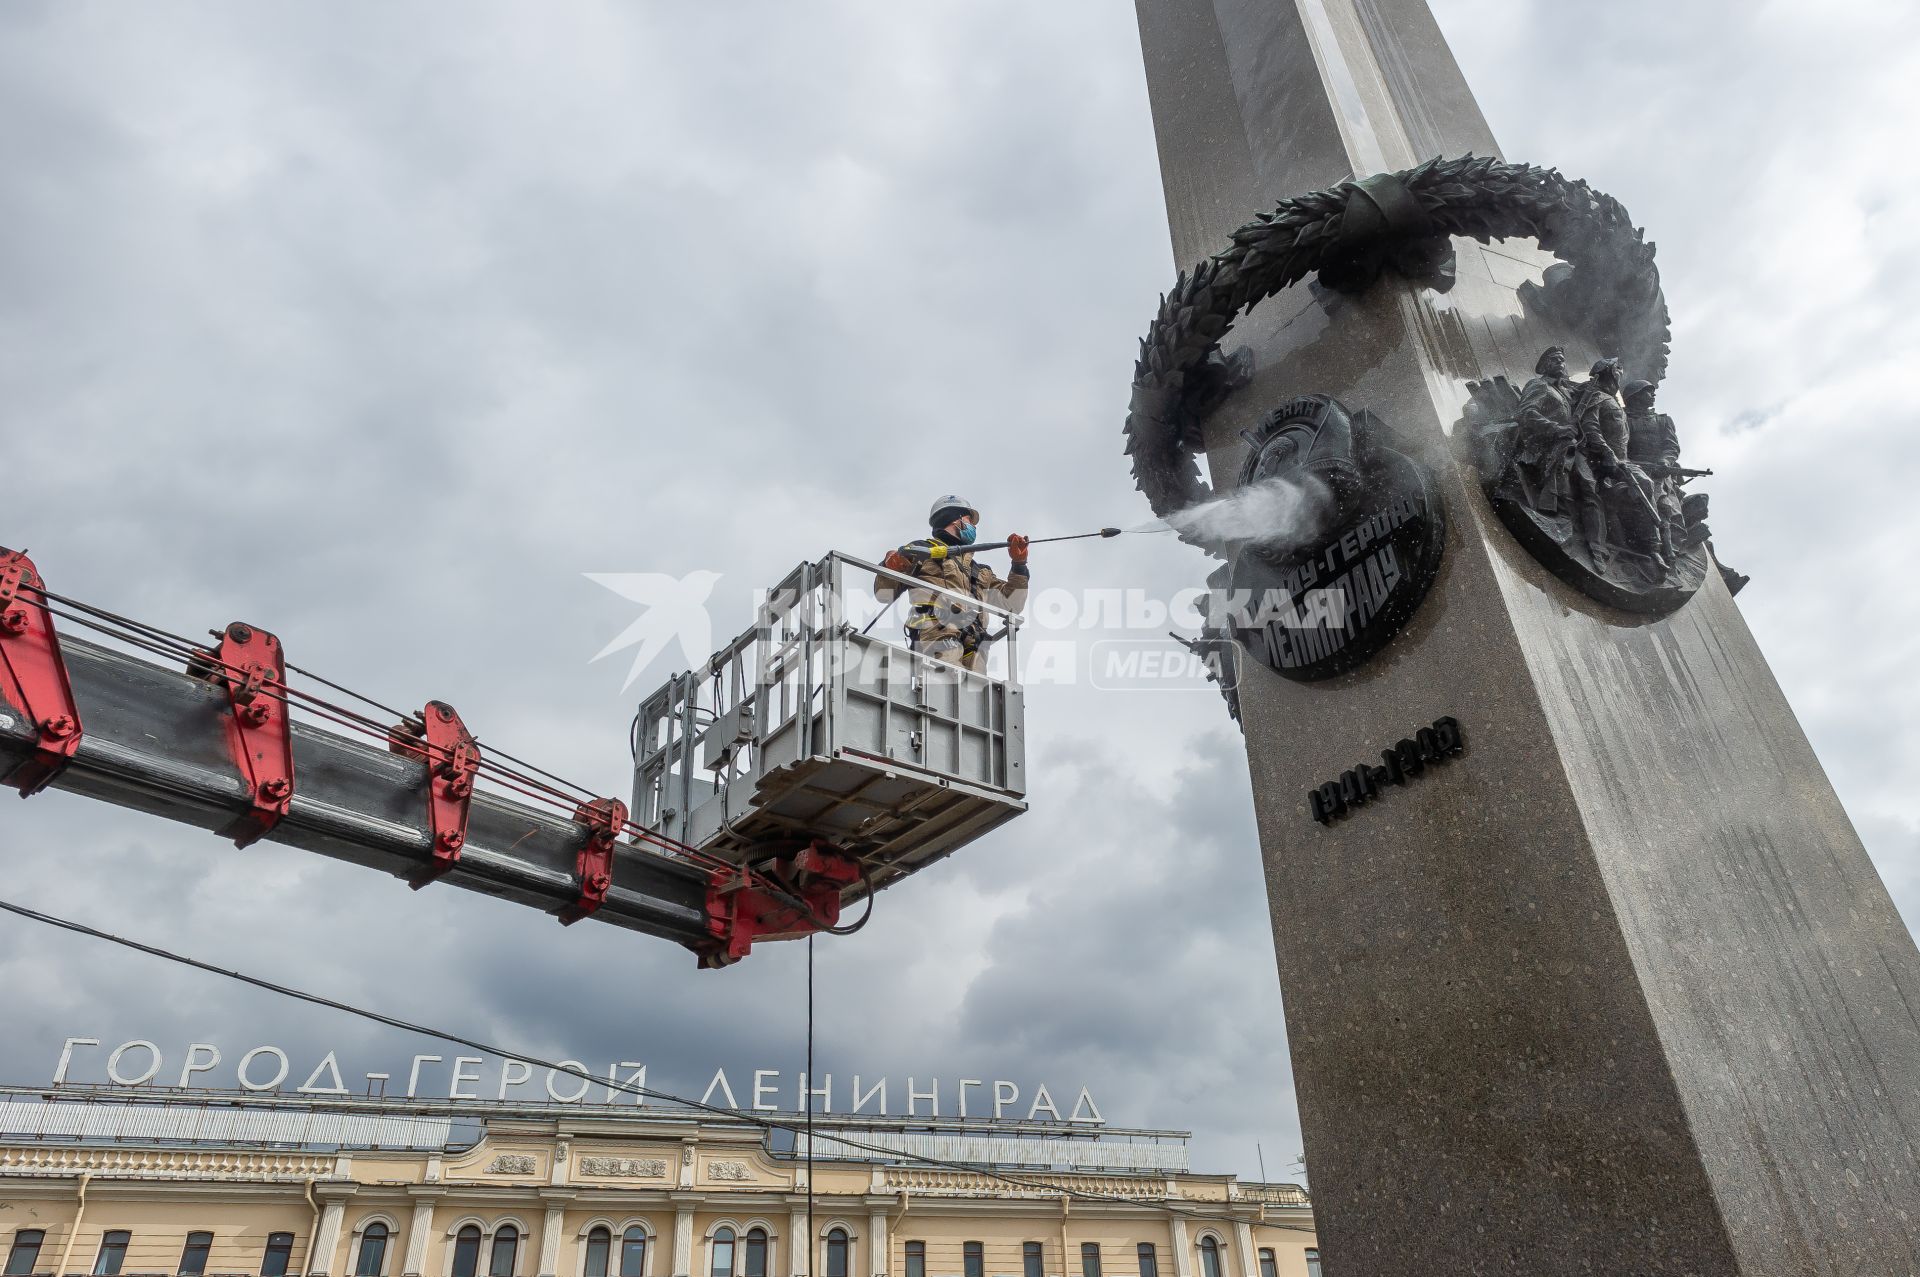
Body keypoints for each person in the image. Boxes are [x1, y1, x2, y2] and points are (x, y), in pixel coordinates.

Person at [875, 495, 1029, 671]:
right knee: (946, 685)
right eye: (969, 520)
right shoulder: (921, 552)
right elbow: (883, 594)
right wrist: (890, 565)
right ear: (954, 519)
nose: (973, 527)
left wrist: (1019, 565)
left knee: (975, 693)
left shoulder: (980, 572)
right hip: (938, 637)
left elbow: (1012, 604)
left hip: (975, 648)